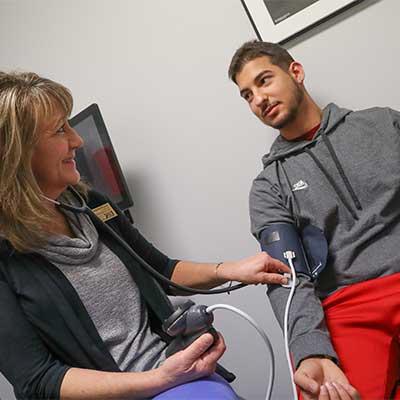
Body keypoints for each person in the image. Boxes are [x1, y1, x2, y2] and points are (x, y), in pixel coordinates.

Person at [0, 71, 291, 400]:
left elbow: (161, 269)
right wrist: (161, 379)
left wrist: (230, 270)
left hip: (176, 374)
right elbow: (38, 380)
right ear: (17, 154)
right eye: (59, 130)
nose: (77, 140)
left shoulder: (92, 206)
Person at [228, 40, 400, 400]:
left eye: (264, 81)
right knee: (322, 390)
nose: (258, 98)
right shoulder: (269, 186)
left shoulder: (384, 124)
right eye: (247, 95)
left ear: (296, 72)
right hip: (347, 304)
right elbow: (287, 277)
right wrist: (310, 349)